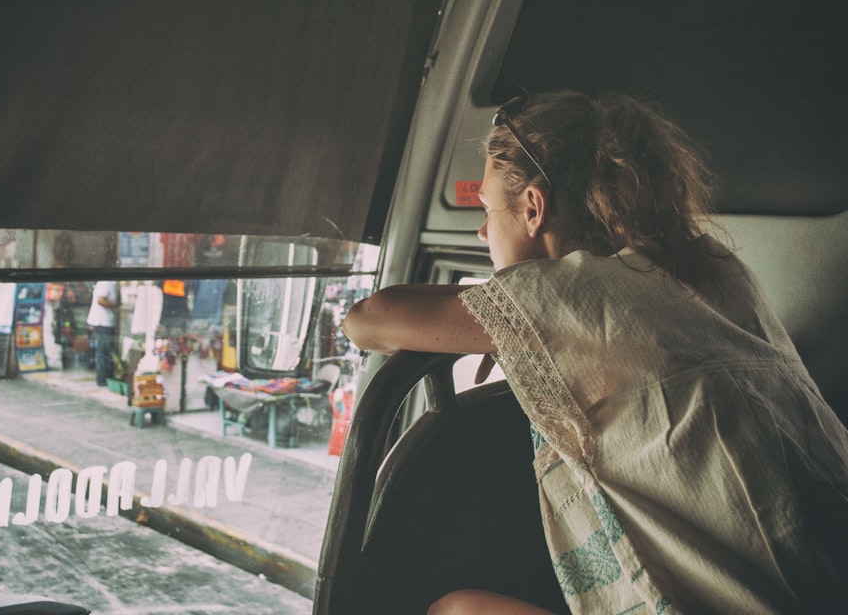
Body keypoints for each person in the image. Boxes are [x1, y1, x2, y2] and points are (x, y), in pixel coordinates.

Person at [342, 89, 848, 614]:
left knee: (456, 610)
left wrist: (506, 320)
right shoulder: (715, 270)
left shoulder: (568, 300)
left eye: (490, 210)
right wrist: (504, 325)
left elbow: (366, 322)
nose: (483, 229)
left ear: (534, 207)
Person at [86, 280, 119, 386]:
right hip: (103, 321)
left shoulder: (106, 282)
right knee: (103, 352)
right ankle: (102, 379)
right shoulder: (107, 282)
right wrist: (116, 306)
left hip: (102, 321)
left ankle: (104, 378)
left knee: (103, 352)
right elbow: (100, 300)